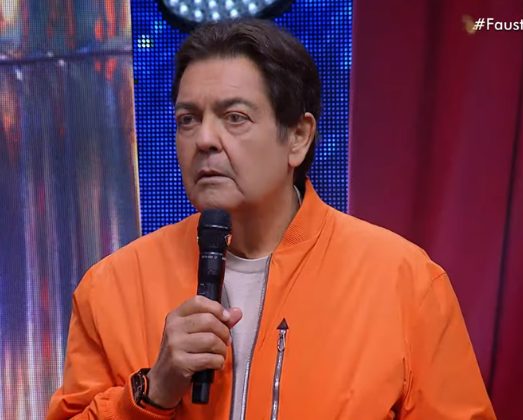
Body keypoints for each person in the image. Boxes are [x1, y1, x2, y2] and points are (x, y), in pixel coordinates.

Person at [47, 18, 496, 420]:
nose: (204, 139)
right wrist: (152, 392)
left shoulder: (403, 282)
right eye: (188, 119)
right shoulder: (111, 288)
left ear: (298, 137)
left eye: (234, 117)